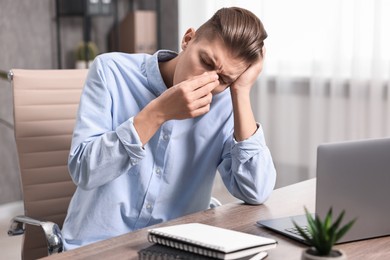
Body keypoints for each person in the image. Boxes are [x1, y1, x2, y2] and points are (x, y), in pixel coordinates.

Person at [62, 6, 276, 250]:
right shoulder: (110, 71)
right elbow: (83, 171)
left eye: (224, 80)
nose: (207, 80)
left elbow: (256, 190)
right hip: (98, 247)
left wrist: (240, 92)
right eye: (205, 61)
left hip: (176, 249)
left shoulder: (225, 104)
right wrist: (158, 113)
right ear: (188, 39)